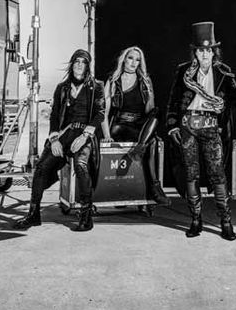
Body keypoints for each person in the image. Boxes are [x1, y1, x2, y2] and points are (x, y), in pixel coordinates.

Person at [166, 21, 236, 240]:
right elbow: (173, 101)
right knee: (191, 173)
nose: (205, 54)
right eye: (201, 50)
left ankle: (226, 222)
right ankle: (195, 220)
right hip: (188, 127)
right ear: (195, 52)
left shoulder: (223, 72)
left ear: (213, 51)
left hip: (212, 127)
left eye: (208, 50)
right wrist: (171, 125)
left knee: (217, 174)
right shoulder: (183, 72)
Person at [14, 49, 105, 231]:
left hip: (84, 135)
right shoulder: (61, 88)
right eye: (76, 61)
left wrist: (86, 135)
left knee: (80, 165)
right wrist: (54, 139)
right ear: (72, 64)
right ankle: (33, 215)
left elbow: (99, 114)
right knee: (41, 167)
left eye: (83, 62)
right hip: (64, 134)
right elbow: (55, 116)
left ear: (88, 66)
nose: (79, 65)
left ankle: (86, 217)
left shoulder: (96, 87)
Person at [102, 46, 169, 206]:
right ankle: (155, 189)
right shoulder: (113, 80)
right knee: (150, 142)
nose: (133, 63)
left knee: (157, 113)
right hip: (119, 125)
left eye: (137, 60)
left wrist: (149, 91)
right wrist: (106, 136)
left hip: (138, 126)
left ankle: (140, 148)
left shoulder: (145, 80)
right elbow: (103, 112)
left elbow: (149, 112)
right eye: (131, 58)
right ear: (124, 59)